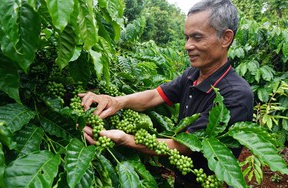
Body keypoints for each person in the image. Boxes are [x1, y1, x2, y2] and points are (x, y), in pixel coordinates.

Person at [79, 0, 254, 187]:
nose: (188, 46)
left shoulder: (236, 95)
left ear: (226, 38)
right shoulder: (192, 75)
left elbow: (185, 145)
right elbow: (156, 95)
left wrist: (126, 139)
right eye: (187, 37)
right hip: (180, 178)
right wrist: (116, 101)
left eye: (197, 37)